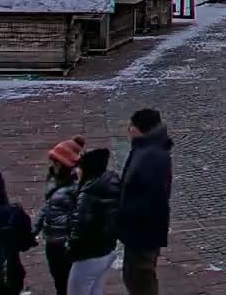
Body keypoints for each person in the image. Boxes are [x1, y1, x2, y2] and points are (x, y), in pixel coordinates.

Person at [118, 109, 173, 295]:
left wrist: (124, 217)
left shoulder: (151, 155)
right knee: (135, 276)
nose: (128, 130)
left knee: (139, 278)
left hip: (142, 231)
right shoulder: (145, 149)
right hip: (140, 230)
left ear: (139, 128)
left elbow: (148, 196)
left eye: (130, 126)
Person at [35, 136, 85, 294]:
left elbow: (78, 216)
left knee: (66, 284)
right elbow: (47, 205)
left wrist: (71, 241)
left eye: (55, 161)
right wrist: (35, 228)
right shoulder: (55, 181)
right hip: (53, 241)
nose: (52, 164)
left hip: (63, 244)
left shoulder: (74, 187)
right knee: (59, 281)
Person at [67, 149, 120, 295]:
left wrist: (70, 248)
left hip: (88, 254)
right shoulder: (110, 183)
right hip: (106, 250)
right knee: (95, 289)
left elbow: (80, 225)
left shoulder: (88, 193)